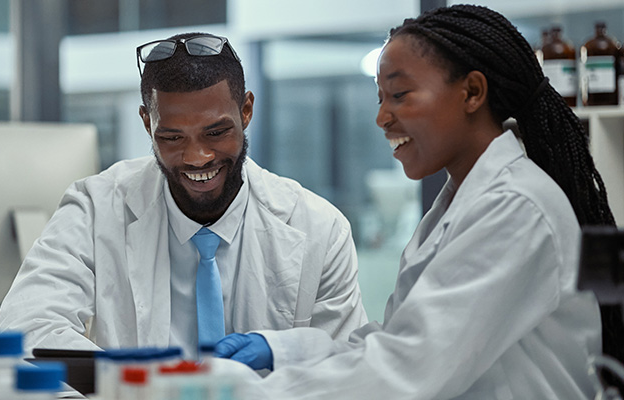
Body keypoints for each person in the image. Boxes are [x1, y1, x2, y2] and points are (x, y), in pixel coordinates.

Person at [214, 5, 618, 399]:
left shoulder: (516, 206)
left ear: (472, 92)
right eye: (380, 98)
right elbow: (397, 340)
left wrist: (242, 393)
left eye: (400, 94)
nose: (382, 118)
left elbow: (408, 367)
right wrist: (285, 351)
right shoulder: (461, 203)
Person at [0, 32, 367, 358]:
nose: (197, 157)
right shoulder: (95, 209)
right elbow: (27, 327)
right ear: (147, 122)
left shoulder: (320, 228)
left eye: (216, 133)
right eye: (172, 138)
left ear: (247, 110)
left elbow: (347, 364)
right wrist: (136, 381)